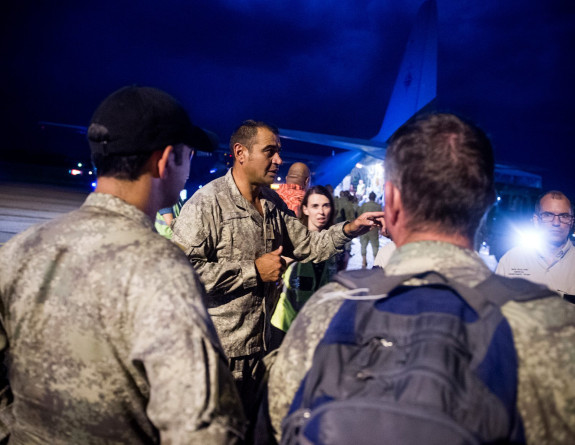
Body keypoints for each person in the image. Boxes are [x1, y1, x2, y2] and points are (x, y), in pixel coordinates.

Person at [264, 113, 575, 444]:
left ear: (392, 202)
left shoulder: (327, 313)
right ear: (484, 206)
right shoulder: (552, 327)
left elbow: (280, 418)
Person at [0, 86, 246, 443]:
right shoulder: (160, 268)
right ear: (165, 161)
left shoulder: (20, 249)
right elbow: (204, 428)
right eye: (188, 154)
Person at [170, 120, 384, 424]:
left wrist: (351, 227)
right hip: (216, 361)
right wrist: (252, 270)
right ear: (240, 153)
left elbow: (310, 245)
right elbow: (180, 275)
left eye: (279, 152)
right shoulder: (207, 204)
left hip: (261, 352)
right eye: (270, 151)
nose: (279, 160)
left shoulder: (272, 203)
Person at [270, 185, 338, 339]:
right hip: (286, 327)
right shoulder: (292, 241)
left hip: (317, 327)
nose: (321, 212)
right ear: (305, 209)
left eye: (325, 205)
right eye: (315, 206)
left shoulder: (334, 245)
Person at [496, 190, 575, 299]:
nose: (556, 223)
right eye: (548, 215)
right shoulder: (511, 259)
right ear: (536, 220)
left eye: (564, 216)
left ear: (571, 222)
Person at [358, 191, 382, 267]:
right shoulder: (378, 206)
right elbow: (380, 218)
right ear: (375, 198)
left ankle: (363, 262)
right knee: (375, 245)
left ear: (369, 197)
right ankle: (376, 262)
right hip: (374, 228)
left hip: (364, 228)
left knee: (363, 245)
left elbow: (359, 215)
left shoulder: (364, 205)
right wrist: (380, 228)